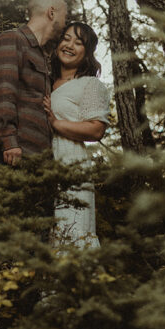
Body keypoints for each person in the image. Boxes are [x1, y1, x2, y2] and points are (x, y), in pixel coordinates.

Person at [43, 21, 111, 248]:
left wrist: (56, 123)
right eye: (66, 38)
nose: (70, 45)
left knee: (70, 230)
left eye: (78, 42)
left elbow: (96, 129)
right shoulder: (46, 81)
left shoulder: (90, 84)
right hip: (42, 162)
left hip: (72, 163)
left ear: (87, 52)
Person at [0, 0, 68, 167]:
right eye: (65, 16)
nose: (66, 23)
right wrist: (9, 142)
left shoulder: (41, 56)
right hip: (9, 156)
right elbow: (2, 95)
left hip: (35, 160)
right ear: (51, 13)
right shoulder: (11, 39)